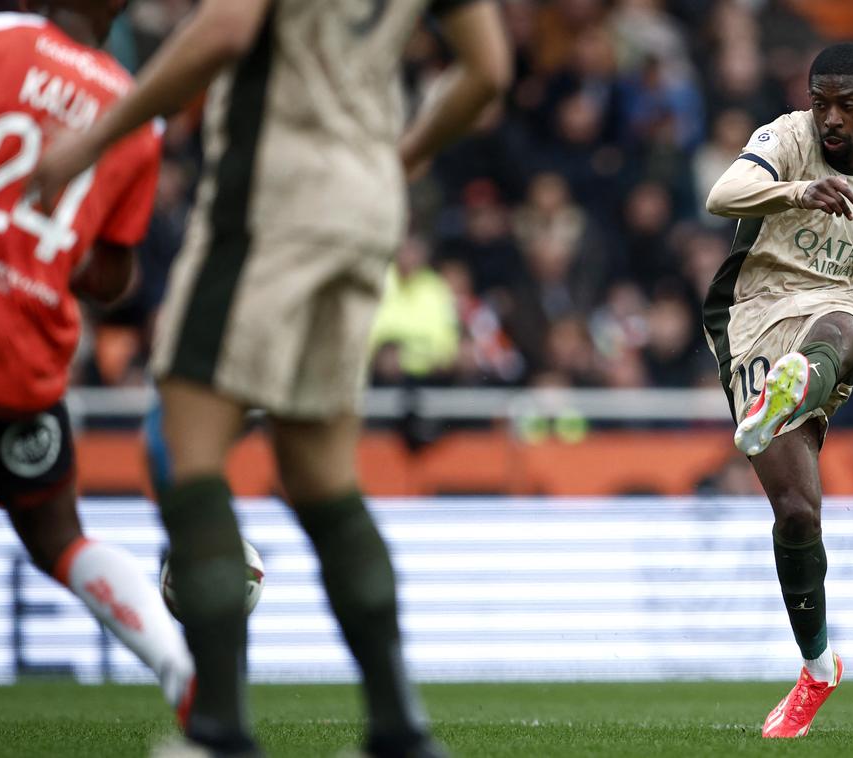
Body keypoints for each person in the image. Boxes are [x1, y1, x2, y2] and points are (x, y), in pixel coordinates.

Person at [29, 1, 511, 756]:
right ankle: (399, 730)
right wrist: (403, 156)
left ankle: (218, 731)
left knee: (185, 449)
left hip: (271, 198)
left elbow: (225, 29)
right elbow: (488, 70)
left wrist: (87, 144)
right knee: (320, 474)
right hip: (368, 204)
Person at [0, 1, 192, 714]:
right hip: (18, 354)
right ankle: (179, 669)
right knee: (61, 539)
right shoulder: (137, 115)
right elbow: (111, 275)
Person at [703, 43, 853, 738]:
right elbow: (722, 196)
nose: (830, 118)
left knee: (846, 319)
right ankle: (819, 666)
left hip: (832, 317)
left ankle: (799, 381)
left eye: (846, 105)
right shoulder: (786, 137)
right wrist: (796, 190)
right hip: (752, 315)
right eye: (820, 102)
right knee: (798, 513)